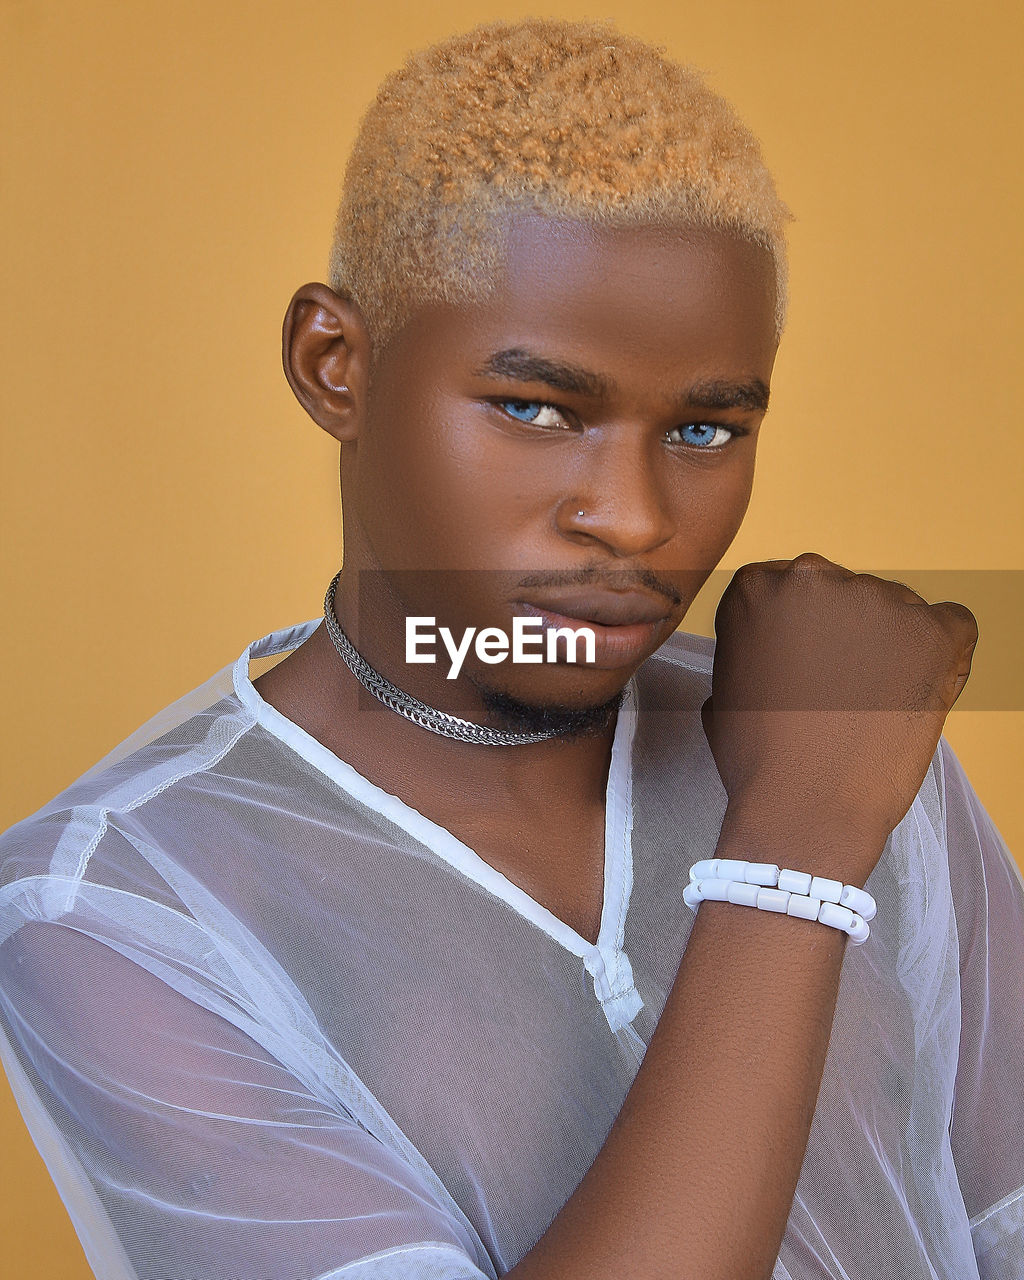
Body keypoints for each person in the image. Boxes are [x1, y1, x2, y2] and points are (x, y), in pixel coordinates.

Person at [1, 16, 1022, 1280]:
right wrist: (794, 853)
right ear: (336, 365)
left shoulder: (852, 740)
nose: (636, 518)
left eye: (705, 430)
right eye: (536, 408)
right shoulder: (115, 905)